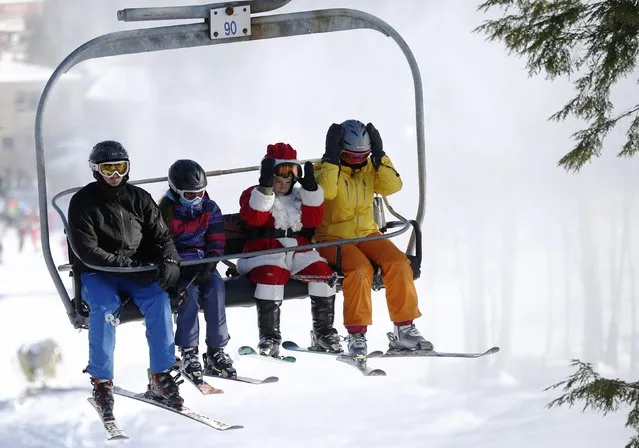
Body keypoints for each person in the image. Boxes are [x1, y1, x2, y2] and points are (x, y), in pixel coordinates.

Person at [67, 140, 183, 419]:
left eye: (121, 168)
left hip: (134, 271)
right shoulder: (83, 203)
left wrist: (169, 259)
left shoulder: (139, 198)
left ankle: (160, 374)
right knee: (105, 308)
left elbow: (162, 236)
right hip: (98, 274)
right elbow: (87, 251)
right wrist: (126, 266)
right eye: (109, 169)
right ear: (96, 170)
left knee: (158, 299)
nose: (115, 175)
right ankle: (102, 382)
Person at [314, 120, 433, 357]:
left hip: (367, 233)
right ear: (339, 150)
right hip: (332, 238)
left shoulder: (370, 168)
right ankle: (356, 335)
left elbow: (393, 186)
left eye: (363, 156)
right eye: (352, 156)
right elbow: (325, 193)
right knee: (360, 270)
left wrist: (380, 156)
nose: (359, 161)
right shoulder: (325, 169)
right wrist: (331, 159)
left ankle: (404, 329)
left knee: (400, 264)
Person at [237, 142, 342, 357]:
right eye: (277, 180)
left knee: (323, 274)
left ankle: (323, 332)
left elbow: (315, 219)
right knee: (272, 275)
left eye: (287, 180)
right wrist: (265, 188)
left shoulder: (298, 197)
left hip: (297, 252)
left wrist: (311, 189)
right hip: (265, 251)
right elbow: (255, 217)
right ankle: (269, 337)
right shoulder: (253, 194)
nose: (282, 185)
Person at [158, 159, 236, 380]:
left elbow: (217, 240)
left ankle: (216, 350)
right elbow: (164, 243)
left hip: (203, 265)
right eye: (189, 195)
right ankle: (189, 350)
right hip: (181, 268)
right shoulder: (165, 213)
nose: (196, 200)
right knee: (188, 295)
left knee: (216, 288)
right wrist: (176, 266)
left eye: (200, 193)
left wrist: (210, 263)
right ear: (175, 192)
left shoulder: (210, 209)